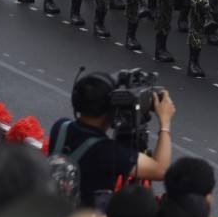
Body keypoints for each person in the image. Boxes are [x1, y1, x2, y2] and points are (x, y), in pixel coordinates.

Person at [47, 71, 176, 208]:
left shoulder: (60, 127)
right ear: (112, 109)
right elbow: (160, 170)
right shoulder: (107, 152)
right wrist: (165, 122)